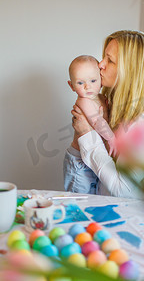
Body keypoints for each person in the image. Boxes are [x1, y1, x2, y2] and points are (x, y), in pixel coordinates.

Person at [64, 30, 144, 198]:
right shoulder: (122, 107)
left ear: (131, 71)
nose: (100, 64)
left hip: (141, 219)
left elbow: (121, 188)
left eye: (110, 60)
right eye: (104, 57)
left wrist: (87, 134)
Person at [63, 55, 115, 194]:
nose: (87, 86)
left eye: (93, 80)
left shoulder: (102, 98)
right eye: (80, 83)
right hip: (79, 161)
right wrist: (112, 139)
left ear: (101, 80)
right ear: (71, 85)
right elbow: (97, 122)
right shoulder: (84, 101)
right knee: (79, 199)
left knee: (94, 197)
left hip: (93, 156)